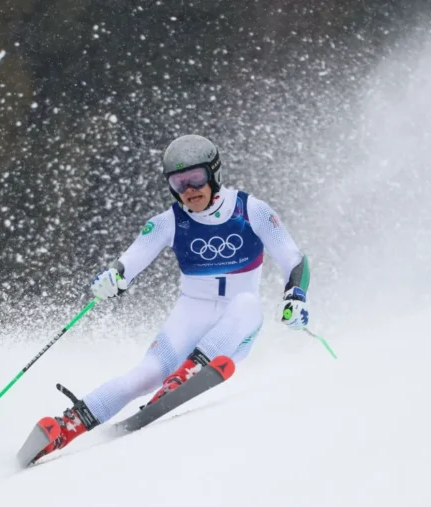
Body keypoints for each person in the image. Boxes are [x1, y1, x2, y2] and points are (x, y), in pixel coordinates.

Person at [37, 134, 310, 456]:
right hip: (190, 315)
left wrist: (295, 297)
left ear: (214, 174)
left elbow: (294, 259)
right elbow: (130, 260)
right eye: (179, 183)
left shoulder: (251, 210)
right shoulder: (168, 222)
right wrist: (113, 277)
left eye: (196, 178)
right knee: (145, 374)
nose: (190, 189)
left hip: (235, 326)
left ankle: (187, 375)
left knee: (248, 304)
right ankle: (67, 427)